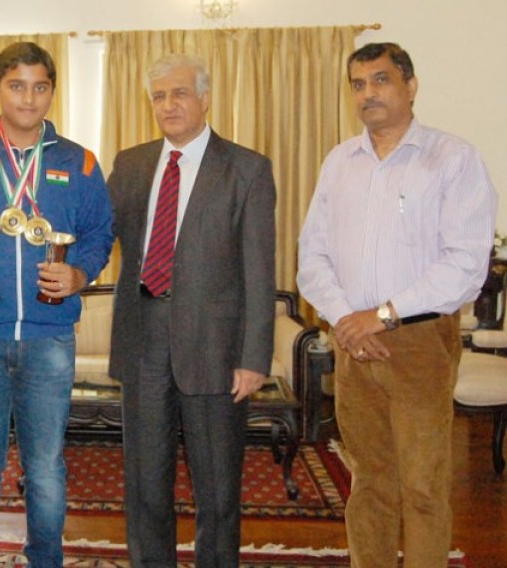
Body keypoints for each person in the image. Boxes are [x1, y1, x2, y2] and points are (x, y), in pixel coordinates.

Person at [297, 42, 496, 567]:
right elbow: (312, 256)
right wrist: (346, 319)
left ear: (410, 85)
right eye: (358, 84)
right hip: (351, 344)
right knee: (368, 482)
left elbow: (465, 263)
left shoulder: (452, 158)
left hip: (418, 342)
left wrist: (381, 317)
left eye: (381, 80)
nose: (369, 93)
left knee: (423, 486)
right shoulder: (340, 162)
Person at [0, 41, 114, 567]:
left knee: (46, 466)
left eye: (39, 86)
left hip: (49, 335)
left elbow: (101, 233)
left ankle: (45, 560)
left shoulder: (80, 161)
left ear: (52, 91)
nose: (28, 98)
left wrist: (80, 274)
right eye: (16, 86)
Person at [107, 53, 276, 567]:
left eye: (179, 93)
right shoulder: (131, 164)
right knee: (145, 486)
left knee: (218, 492)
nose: (169, 105)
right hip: (143, 343)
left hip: (215, 349)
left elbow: (260, 271)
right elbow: (97, 233)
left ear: (205, 98)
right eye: (159, 96)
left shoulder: (246, 169)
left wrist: (253, 358)